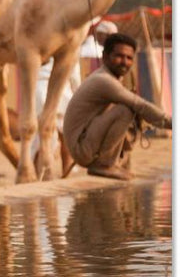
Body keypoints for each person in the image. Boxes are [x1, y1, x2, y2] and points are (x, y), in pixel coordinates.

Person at [63, 32, 171, 180]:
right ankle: (104, 165)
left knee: (130, 111)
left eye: (129, 58)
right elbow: (141, 105)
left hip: (86, 141)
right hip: (82, 148)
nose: (124, 62)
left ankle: (114, 164)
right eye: (119, 56)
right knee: (125, 110)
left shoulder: (109, 79)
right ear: (105, 57)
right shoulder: (103, 80)